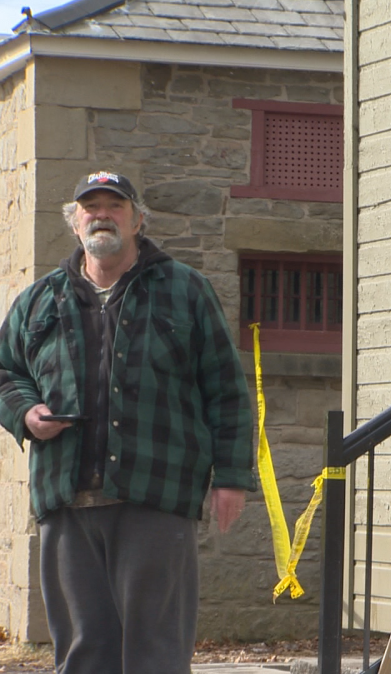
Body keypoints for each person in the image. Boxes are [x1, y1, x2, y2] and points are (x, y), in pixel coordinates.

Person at [0, 171, 255, 673]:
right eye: (89, 207)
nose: (101, 215)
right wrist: (26, 412)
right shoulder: (38, 300)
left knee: (156, 653)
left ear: (138, 219)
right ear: (75, 224)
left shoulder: (186, 290)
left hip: (156, 499)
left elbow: (225, 390)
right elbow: (6, 371)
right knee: (83, 652)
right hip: (66, 501)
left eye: (113, 206)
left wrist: (230, 478)